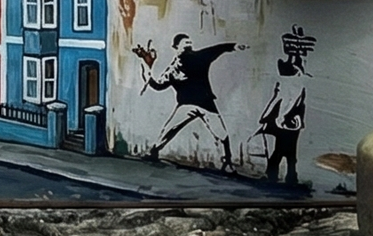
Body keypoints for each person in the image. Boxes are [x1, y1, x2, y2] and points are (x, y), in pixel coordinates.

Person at [131, 34, 244, 167]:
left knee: (221, 134)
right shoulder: (173, 69)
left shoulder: (200, 57)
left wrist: (233, 47)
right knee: (170, 128)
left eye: (190, 42)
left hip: (206, 104)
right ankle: (154, 151)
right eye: (185, 43)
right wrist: (148, 66)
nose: (189, 45)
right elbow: (159, 85)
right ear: (176, 47)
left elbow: (216, 49)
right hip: (187, 105)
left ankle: (227, 163)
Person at [257, 25, 316, 185]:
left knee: (283, 151)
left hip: (287, 121)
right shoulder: (296, 83)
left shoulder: (292, 83)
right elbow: (279, 100)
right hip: (288, 121)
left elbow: (278, 100)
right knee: (287, 152)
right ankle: (286, 177)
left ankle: (279, 176)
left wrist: (268, 117)